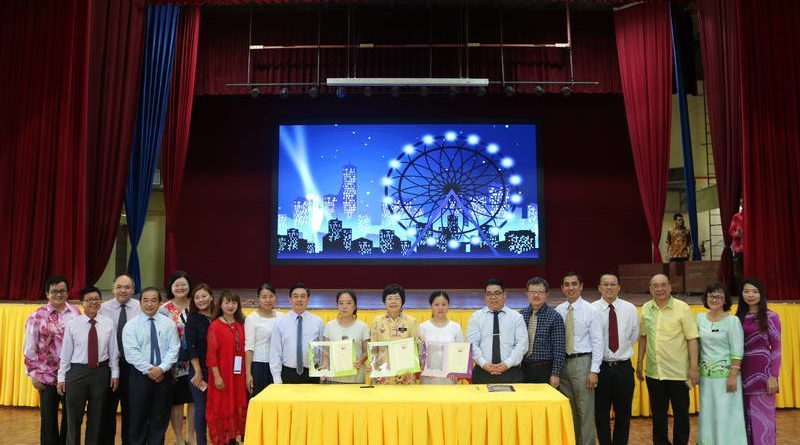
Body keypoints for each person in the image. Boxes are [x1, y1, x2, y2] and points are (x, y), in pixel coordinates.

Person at [636, 274, 699, 445]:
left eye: (663, 285)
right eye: (655, 286)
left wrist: (693, 368)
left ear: (670, 287)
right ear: (650, 289)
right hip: (654, 373)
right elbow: (643, 337)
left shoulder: (682, 308)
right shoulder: (646, 308)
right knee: (658, 416)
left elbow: (692, 338)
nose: (660, 289)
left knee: (681, 415)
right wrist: (640, 362)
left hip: (679, 373)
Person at [57, 286, 119, 445]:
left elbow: (113, 351)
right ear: (82, 303)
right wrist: (61, 377)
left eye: (96, 299)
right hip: (77, 372)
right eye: (89, 300)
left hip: (101, 372)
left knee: (97, 417)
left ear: (101, 301)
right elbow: (66, 353)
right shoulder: (73, 324)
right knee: (73, 417)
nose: (93, 302)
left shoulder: (108, 323)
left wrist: (115, 373)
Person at [23, 275, 81, 445]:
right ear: (47, 294)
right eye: (54, 291)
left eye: (62, 290)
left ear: (67, 293)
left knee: (71, 419)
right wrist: (33, 373)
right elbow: (30, 347)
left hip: (70, 375)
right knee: (48, 421)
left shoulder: (76, 313)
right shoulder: (37, 316)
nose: (59, 294)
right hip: (45, 377)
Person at [122, 287, 180, 445]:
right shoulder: (131, 325)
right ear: (140, 303)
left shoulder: (169, 324)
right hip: (140, 376)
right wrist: (150, 370)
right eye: (145, 300)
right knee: (137, 417)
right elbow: (131, 352)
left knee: (160, 418)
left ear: (160, 302)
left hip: (164, 375)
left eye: (154, 300)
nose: (149, 304)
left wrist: (161, 369)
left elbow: (174, 349)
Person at [555, 272, 603, 445]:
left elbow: (598, 342)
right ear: (562, 288)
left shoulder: (591, 311)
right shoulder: (559, 310)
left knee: (585, 411)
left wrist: (594, 371)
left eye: (574, 284)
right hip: (563, 363)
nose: (571, 288)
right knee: (570, 410)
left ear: (581, 286)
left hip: (582, 363)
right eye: (567, 284)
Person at [591, 273, 639, 445]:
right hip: (600, 368)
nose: (609, 287)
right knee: (600, 414)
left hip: (623, 367)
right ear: (599, 288)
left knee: (623, 414)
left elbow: (633, 336)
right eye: (605, 284)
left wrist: (619, 352)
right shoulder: (592, 309)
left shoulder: (630, 308)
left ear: (619, 287)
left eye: (613, 284)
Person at [696, 283, 747, 445]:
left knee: (726, 415)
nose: (714, 299)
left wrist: (733, 375)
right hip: (706, 377)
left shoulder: (733, 321)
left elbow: (737, 350)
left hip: (727, 377)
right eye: (711, 296)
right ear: (706, 298)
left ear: (725, 300)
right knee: (708, 414)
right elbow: (696, 346)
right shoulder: (699, 318)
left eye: (719, 296)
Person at [736, 278, 782, 445]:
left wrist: (773, 376)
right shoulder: (737, 318)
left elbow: (776, 349)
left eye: (755, 291)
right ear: (741, 294)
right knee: (744, 421)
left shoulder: (771, 317)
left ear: (761, 294)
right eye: (746, 291)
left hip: (763, 376)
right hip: (741, 375)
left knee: (763, 421)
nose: (750, 295)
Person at [99, 273, 141, 445]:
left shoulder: (141, 306)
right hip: (109, 365)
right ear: (113, 289)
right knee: (107, 409)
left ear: (133, 289)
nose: (123, 290)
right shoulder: (103, 308)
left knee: (131, 409)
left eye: (127, 287)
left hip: (133, 365)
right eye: (119, 287)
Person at [206, 290, 248, 445]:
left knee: (238, 403)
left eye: (234, 302)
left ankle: (233, 438)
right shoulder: (215, 326)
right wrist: (217, 376)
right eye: (227, 302)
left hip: (239, 374)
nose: (230, 306)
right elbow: (211, 355)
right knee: (223, 406)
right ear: (221, 305)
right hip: (222, 374)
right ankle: (224, 439)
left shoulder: (242, 324)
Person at [466, 278, 527, 384]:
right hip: (482, 372)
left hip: (511, 372)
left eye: (497, 293)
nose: (493, 297)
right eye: (489, 294)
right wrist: (484, 364)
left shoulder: (516, 317)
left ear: (504, 295)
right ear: (485, 296)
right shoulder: (476, 317)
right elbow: (472, 344)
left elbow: (522, 344)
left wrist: (507, 364)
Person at [159, 271, 195, 445]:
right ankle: (179, 439)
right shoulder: (164, 310)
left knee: (195, 401)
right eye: (176, 285)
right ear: (171, 287)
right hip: (175, 364)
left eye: (183, 284)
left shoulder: (197, 304)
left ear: (189, 286)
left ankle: (191, 437)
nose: (180, 288)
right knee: (177, 402)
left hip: (197, 362)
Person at [269, 284, 324, 384]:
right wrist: (277, 378)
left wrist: (322, 374)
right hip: (288, 373)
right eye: (295, 296)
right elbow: (275, 352)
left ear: (308, 300)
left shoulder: (318, 322)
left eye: (303, 296)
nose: (299, 299)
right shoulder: (280, 322)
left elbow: (322, 351)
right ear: (290, 299)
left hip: (312, 373)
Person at [369, 284, 422, 385]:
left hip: (405, 376)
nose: (393, 302)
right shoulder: (377, 321)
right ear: (384, 301)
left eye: (397, 298)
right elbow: (373, 349)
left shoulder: (411, 321)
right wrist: (374, 369)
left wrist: (414, 369)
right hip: (383, 375)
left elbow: (418, 347)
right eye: (389, 298)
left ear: (402, 301)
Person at [519, 277, 565, 388]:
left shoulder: (555, 317)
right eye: (532, 292)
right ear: (527, 293)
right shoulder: (520, 315)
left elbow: (559, 349)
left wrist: (555, 374)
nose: (536, 295)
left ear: (547, 294)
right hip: (522, 369)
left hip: (544, 370)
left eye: (540, 292)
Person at [185, 284, 216, 445]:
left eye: (204, 296)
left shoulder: (219, 317)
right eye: (197, 297)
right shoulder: (193, 319)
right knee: (201, 409)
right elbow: (191, 347)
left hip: (217, 371)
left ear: (211, 297)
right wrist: (197, 371)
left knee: (218, 409)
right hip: (199, 371)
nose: (201, 300)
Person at [322, 290, 370, 384]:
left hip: (356, 378)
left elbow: (367, 351)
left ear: (355, 306)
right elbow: (326, 352)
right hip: (334, 378)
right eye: (341, 303)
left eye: (348, 303)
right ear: (337, 306)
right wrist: (325, 365)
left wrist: (360, 360)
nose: (344, 306)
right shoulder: (329, 326)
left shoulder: (362, 326)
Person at [244, 284, 283, 396]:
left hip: (278, 365)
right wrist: (248, 374)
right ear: (258, 298)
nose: (268, 300)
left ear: (275, 297)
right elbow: (249, 348)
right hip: (259, 365)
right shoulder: (252, 318)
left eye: (271, 296)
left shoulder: (281, 317)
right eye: (264, 297)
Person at [419, 291, 464, 384]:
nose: (440, 308)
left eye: (444, 304)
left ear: (448, 306)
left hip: (449, 378)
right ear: (431, 306)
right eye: (436, 304)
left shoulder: (456, 327)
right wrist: (423, 367)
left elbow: (461, 353)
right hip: (428, 377)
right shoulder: (423, 327)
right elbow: (419, 353)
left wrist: (456, 371)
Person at [729, 199, 745, 291]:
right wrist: (737, 234)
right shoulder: (736, 217)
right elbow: (731, 231)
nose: (742, 204)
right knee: (739, 271)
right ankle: (741, 291)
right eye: (741, 203)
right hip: (739, 248)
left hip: (752, 249)